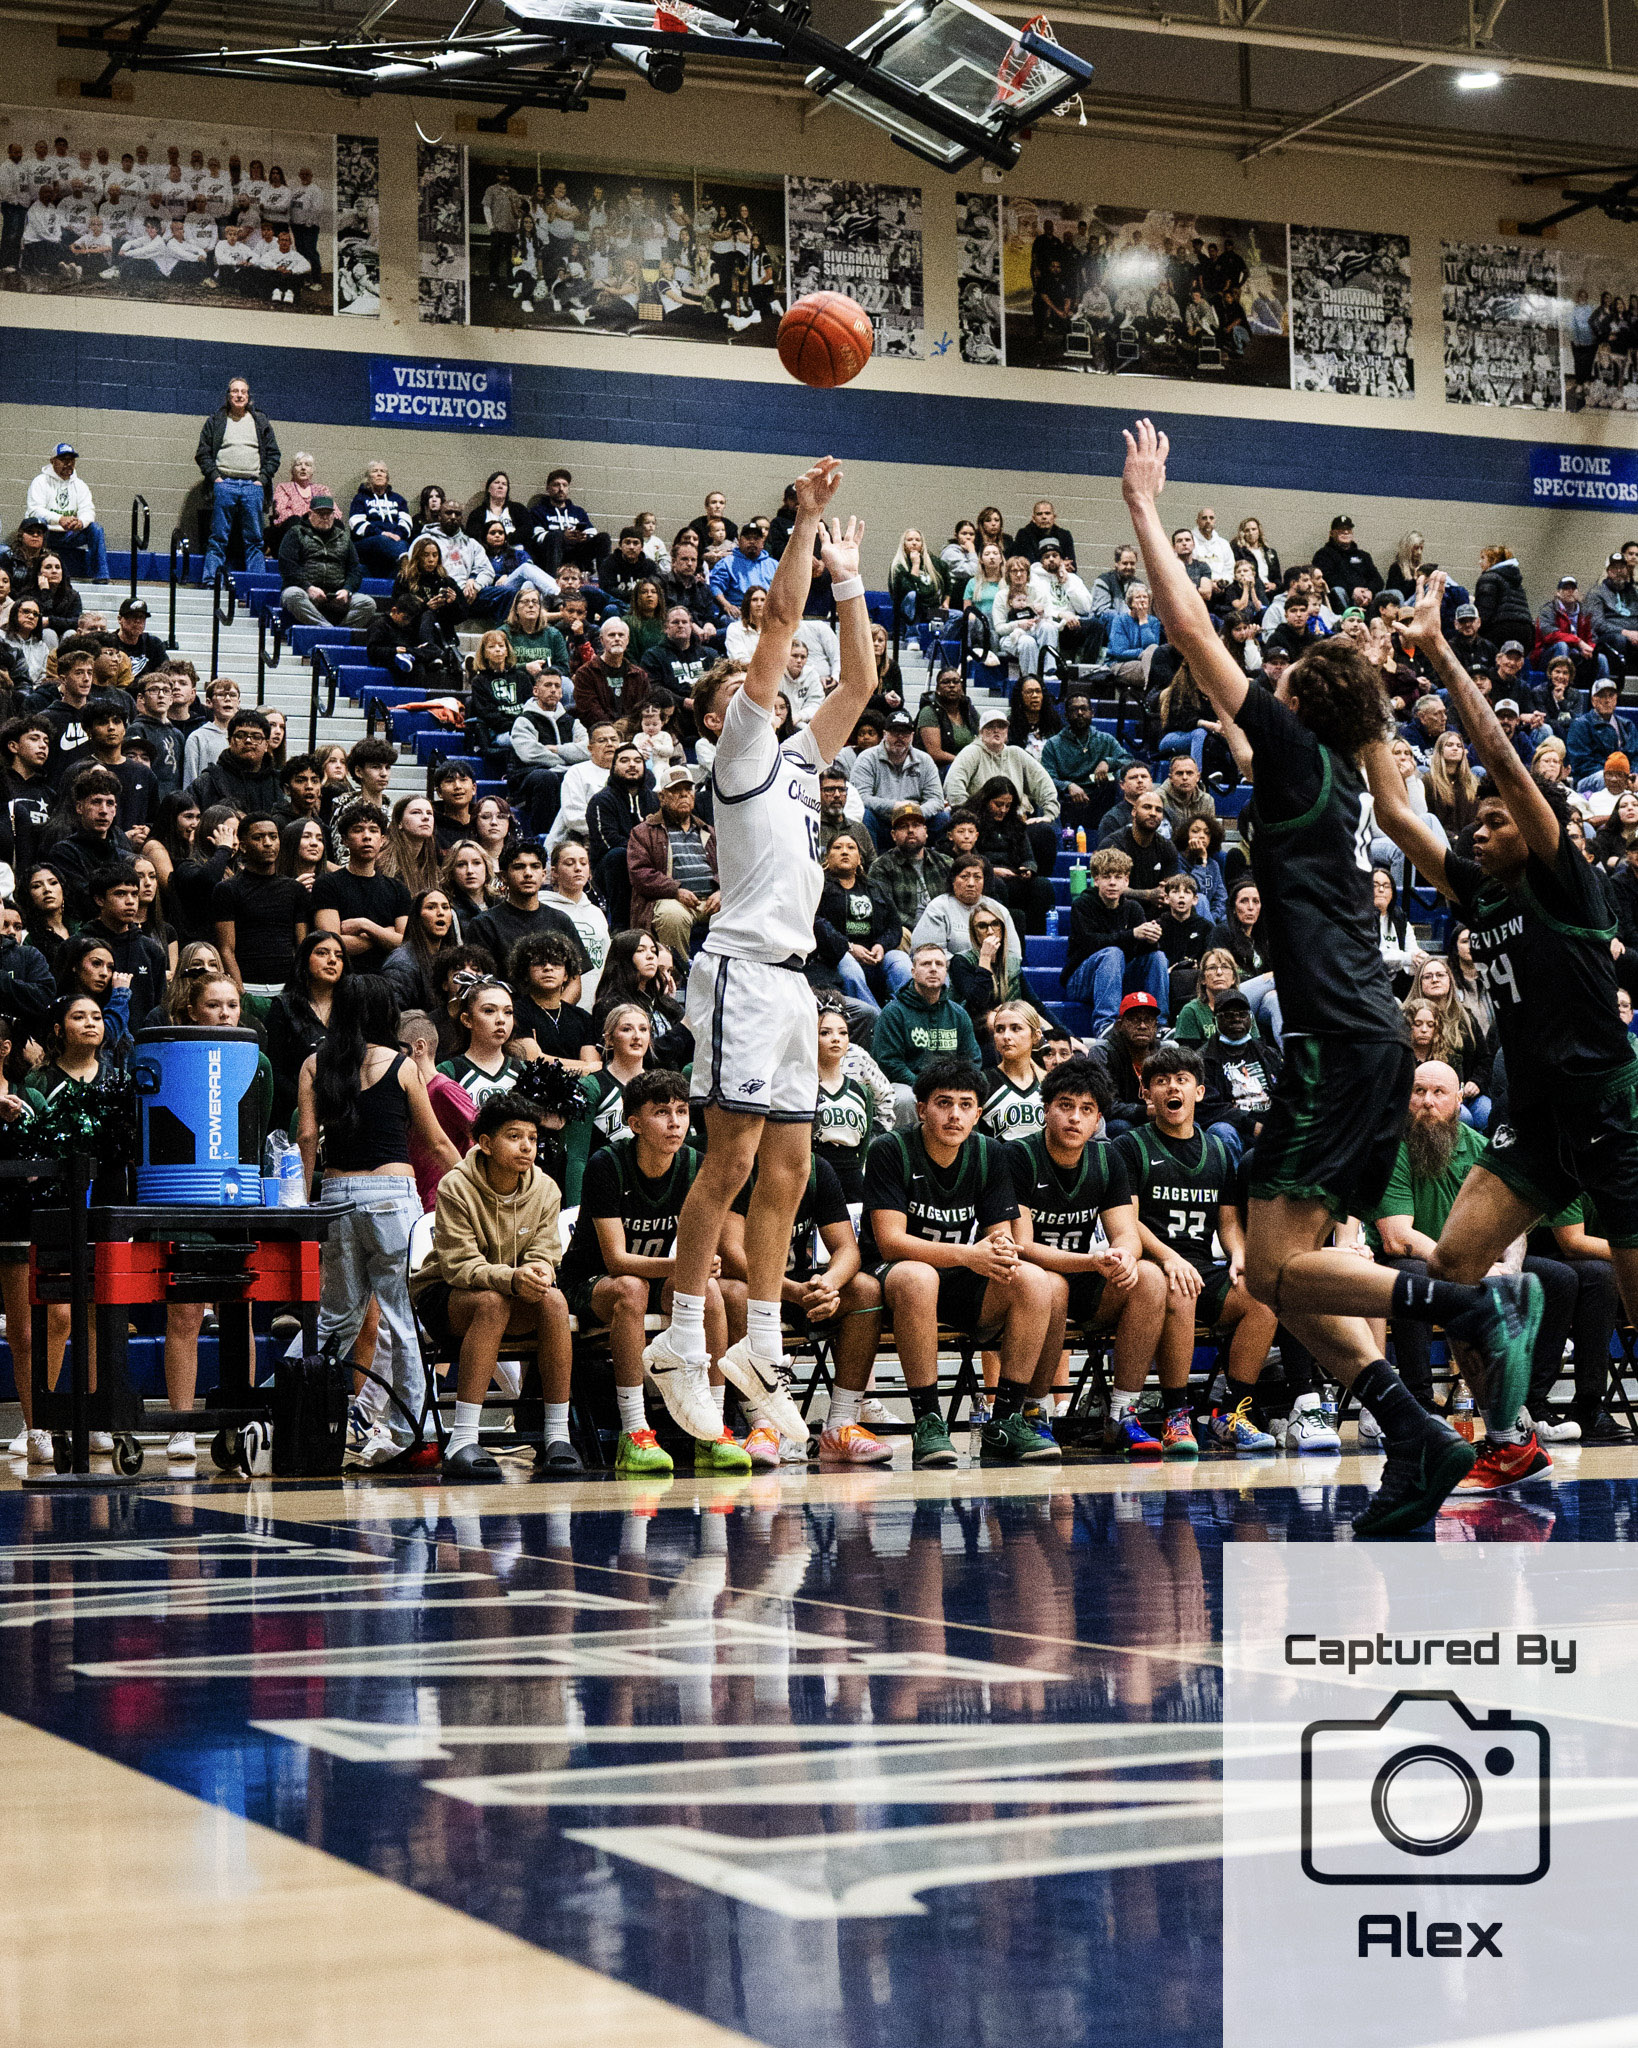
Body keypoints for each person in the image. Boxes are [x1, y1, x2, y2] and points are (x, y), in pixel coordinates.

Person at [1120, 416, 1535, 1535]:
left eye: (1284, 679)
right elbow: (1253, 716)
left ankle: (1468, 1305)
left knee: (1271, 1270)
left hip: (1339, 1041)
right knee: (1289, 1272)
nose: (1269, 682)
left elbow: (1191, 629)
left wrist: (1146, 506)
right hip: (1365, 1036)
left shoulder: (1303, 755)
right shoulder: (1340, 778)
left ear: (1300, 704)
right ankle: (1414, 1429)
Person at [1366, 570, 1638, 1495]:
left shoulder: (1566, 878)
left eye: (1493, 821)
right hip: (1538, 1111)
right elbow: (1396, 813)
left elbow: (1504, 763)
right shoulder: (1481, 893)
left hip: (1610, 1106)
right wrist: (1373, 695)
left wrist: (1439, 651)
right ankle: (1508, 1433)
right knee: (1452, 1268)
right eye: (1474, 822)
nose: (1478, 832)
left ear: (1533, 823)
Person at [641, 459, 874, 1454]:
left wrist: (851, 582)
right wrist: (804, 525)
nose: (767, 688)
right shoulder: (737, 750)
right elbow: (778, 622)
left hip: (791, 981)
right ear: (722, 711)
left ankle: (762, 1345)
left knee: (789, 1165)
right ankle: (682, 1337)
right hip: (738, 968)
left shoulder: (801, 761)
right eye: (747, 687)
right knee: (731, 1159)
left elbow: (860, 683)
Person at [297, 975, 463, 1469]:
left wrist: (304, 1204)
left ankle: (294, 1409)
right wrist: (473, 1181)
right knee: (402, 1318)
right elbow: (436, 1141)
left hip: (335, 1196)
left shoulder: (314, 1064)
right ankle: (412, 1433)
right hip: (392, 1197)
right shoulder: (402, 1065)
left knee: (336, 1319)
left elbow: (306, 1138)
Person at [861, 1058, 1057, 1467]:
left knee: (1035, 1280)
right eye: (944, 1103)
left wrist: (999, 1253)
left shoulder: (989, 1152)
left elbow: (1000, 1237)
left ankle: (1006, 1421)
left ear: (978, 1113)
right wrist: (970, 1255)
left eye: (965, 1105)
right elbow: (891, 1243)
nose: (955, 1114)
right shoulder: (889, 1149)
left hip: (959, 1276)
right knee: (918, 1277)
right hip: (891, 1280)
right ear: (921, 1109)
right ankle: (928, 1421)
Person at [556, 1069, 749, 1476]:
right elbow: (616, 1260)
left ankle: (712, 1428)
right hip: (591, 1281)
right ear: (635, 1123)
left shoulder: (696, 1165)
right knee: (631, 1288)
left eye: (681, 1111)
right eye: (662, 1112)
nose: (675, 1122)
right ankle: (634, 1430)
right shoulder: (606, 1164)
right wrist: (688, 1264)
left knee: (708, 1290)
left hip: (656, 1277)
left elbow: (702, 1250)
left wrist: (702, 1265)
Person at [1114, 1043, 1280, 1455]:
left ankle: (1231, 1413)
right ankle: (1177, 1414)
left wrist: (1239, 1255)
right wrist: (1169, 1258)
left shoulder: (1218, 1150)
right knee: (1179, 1288)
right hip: (1149, 1270)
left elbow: (1228, 1223)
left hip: (1201, 1267)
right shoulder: (1130, 1146)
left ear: (1199, 1092)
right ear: (1146, 1094)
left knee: (1262, 1296)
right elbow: (1127, 1221)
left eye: (1182, 1080)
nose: (1173, 1087)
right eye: (1161, 1081)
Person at [410, 1091, 582, 1479]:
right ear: (486, 1144)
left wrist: (538, 1273)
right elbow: (458, 1266)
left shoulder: (546, 1189)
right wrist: (512, 1278)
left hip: (511, 1291)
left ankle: (558, 1436)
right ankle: (462, 1440)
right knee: (491, 1303)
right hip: (446, 1294)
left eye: (532, 1138)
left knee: (555, 1301)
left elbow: (545, 1252)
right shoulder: (456, 1186)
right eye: (514, 1136)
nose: (527, 1146)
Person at [1006, 1056, 1169, 1455]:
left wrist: (1124, 1256)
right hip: (1027, 1282)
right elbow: (1022, 1246)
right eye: (1065, 1106)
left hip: (1084, 1278)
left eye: (1086, 1109)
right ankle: (1034, 1412)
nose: (1075, 1118)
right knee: (1052, 1285)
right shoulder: (1017, 1156)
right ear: (1046, 1109)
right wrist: (1091, 1261)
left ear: (1098, 1119)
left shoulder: (1107, 1158)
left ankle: (1123, 1413)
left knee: (1149, 1277)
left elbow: (1127, 1233)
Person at [1062, 847, 1169, 1030]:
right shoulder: (1082, 905)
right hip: (1081, 980)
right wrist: (1132, 934)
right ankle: (1105, 1024)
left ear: (1126, 881)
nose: (1112, 883)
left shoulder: (1133, 908)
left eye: (1118, 877)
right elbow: (1090, 943)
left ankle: (1159, 1025)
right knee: (1112, 953)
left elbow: (1141, 952)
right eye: (1106, 877)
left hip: (1118, 978)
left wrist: (1151, 940)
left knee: (1158, 957)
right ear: (1096, 880)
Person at [196, 376, 279, 583]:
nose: (239, 395)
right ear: (228, 395)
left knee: (255, 540)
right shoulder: (215, 421)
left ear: (248, 396)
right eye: (235, 391)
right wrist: (216, 478)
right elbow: (202, 453)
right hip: (224, 485)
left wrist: (262, 479)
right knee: (218, 538)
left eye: (243, 391)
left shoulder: (260, 421)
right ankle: (211, 581)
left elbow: (274, 455)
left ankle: (256, 583)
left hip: (253, 486)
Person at [312, 805, 410, 975]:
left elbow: (406, 945)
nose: (366, 836)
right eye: (358, 830)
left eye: (373, 830)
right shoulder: (327, 884)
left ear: (383, 839)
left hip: (388, 979)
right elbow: (331, 944)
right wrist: (384, 934)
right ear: (344, 840)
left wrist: (365, 926)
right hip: (343, 978)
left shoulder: (398, 889)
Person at [266, 927, 344, 1128]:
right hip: (295, 1112)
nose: (332, 960)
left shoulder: (351, 1007)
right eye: (322, 953)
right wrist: (309, 1103)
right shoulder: (283, 1007)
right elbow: (275, 1072)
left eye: (339, 956)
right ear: (304, 959)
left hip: (344, 1111)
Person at [277, 495, 375, 629]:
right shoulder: (296, 533)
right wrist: (308, 587)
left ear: (334, 515)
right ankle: (328, 630)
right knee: (292, 595)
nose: (325, 517)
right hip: (305, 592)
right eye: (320, 513)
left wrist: (347, 590)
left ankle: (338, 631)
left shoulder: (343, 537)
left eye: (328, 514)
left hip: (336, 595)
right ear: (310, 514)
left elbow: (355, 570)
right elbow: (288, 566)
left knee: (368, 603)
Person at [25, 442, 109, 584]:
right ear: (53, 461)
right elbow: (35, 510)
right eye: (63, 460)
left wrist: (80, 522)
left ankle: (101, 575)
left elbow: (88, 510)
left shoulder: (80, 485)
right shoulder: (40, 482)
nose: (68, 464)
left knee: (96, 529)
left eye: (71, 460)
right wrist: (59, 519)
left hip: (69, 534)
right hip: (48, 533)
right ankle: (32, 573)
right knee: (39, 522)